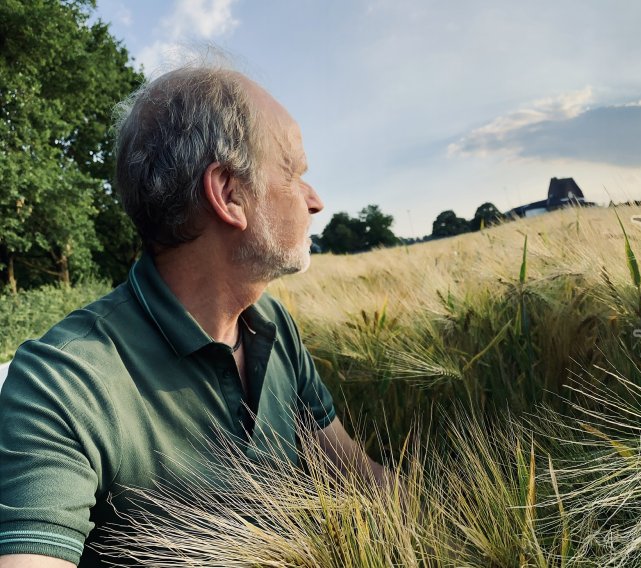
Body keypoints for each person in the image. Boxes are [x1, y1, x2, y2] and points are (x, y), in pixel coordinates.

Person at [0, 62, 388, 567]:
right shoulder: (64, 382)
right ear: (228, 193)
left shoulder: (271, 325)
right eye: (293, 172)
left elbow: (356, 476)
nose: (315, 202)